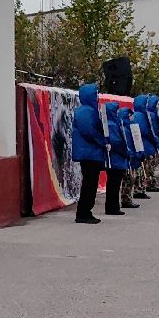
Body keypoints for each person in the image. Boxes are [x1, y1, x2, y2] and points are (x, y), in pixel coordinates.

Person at [70, 82, 108, 223]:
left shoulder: (86, 110)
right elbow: (89, 131)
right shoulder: (87, 111)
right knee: (89, 183)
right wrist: (102, 141)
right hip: (89, 152)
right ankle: (84, 213)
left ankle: (85, 211)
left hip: (88, 152)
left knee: (90, 183)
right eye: (95, 93)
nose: (97, 96)